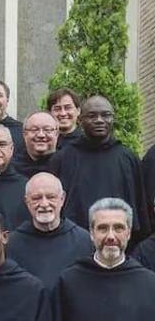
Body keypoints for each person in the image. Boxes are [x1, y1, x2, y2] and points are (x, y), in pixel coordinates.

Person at [51, 95, 150, 238]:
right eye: (92, 116)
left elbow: (141, 208)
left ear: (113, 118)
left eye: (106, 115)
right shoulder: (62, 159)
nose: (99, 120)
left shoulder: (128, 158)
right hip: (74, 242)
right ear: (80, 120)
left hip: (119, 244)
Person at [7, 172, 92, 289]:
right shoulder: (12, 243)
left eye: (51, 197)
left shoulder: (84, 240)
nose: (44, 204)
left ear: (62, 199)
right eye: (36, 198)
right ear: (27, 202)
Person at [12, 111, 59, 178]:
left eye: (47, 129)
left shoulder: (67, 166)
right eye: (34, 130)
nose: (41, 135)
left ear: (57, 134)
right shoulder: (11, 168)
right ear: (24, 134)